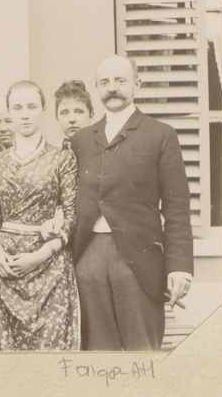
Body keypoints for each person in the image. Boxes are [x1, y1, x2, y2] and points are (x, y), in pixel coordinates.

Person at [70, 55, 193, 351]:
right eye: (105, 82)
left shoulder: (161, 135)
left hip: (139, 260)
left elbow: (177, 208)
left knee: (142, 355)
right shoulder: (81, 140)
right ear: (96, 87)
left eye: (120, 80)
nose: (112, 88)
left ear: (137, 83)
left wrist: (179, 267)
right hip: (87, 260)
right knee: (98, 357)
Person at [0, 80, 80, 350]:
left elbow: (71, 218)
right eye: (17, 108)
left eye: (31, 107)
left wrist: (38, 257)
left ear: (43, 110)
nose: (25, 114)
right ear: (9, 112)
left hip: (48, 268)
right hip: (3, 268)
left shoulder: (61, 157)